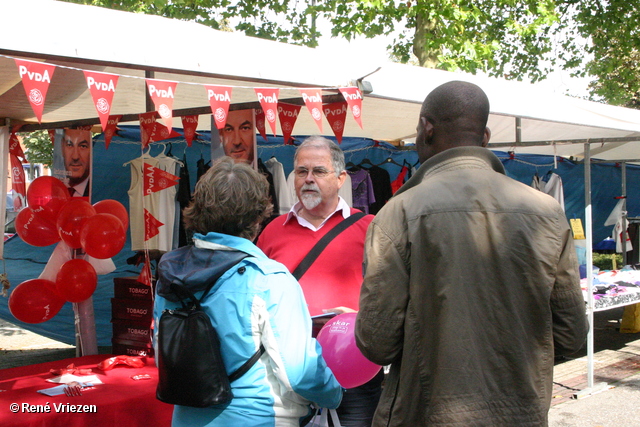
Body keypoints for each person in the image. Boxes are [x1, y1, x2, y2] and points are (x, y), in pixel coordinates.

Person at [355, 81, 589, 426]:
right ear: (486, 135)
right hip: (521, 414)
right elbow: (572, 334)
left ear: (427, 128)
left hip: (427, 414)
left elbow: (377, 343)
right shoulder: (547, 212)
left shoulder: (399, 212)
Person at [153, 157, 342, 427]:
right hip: (260, 418)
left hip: (187, 418)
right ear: (257, 215)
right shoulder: (269, 279)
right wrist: (334, 394)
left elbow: (164, 358)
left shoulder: (171, 273)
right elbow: (300, 373)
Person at [257, 136, 383, 427]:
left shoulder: (370, 228)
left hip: (354, 368)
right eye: (301, 172)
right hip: (288, 369)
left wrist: (364, 320)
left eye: (319, 171)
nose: (308, 179)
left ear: (340, 179)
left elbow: (391, 295)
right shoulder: (272, 231)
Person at [61, 128, 91, 198]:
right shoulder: (56, 189)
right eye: (69, 145)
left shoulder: (97, 190)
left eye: (83, 146)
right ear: (62, 148)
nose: (75, 157)